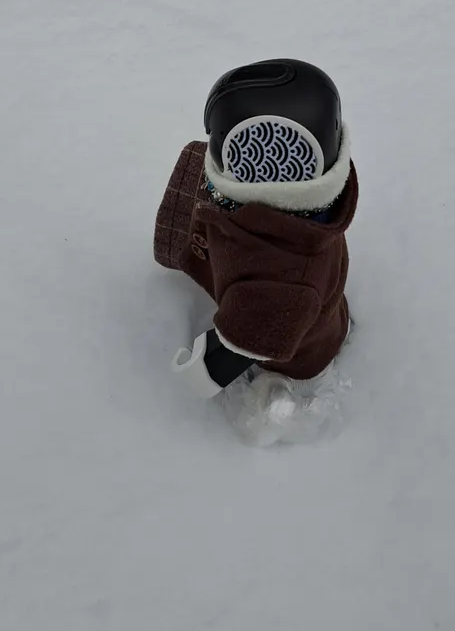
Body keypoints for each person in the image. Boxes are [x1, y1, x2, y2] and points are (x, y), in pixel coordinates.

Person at [153, 58, 358, 444]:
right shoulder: (314, 218)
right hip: (321, 316)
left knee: (263, 410)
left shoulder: (283, 278)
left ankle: (279, 409)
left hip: (294, 361)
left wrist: (200, 371)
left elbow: (246, 341)